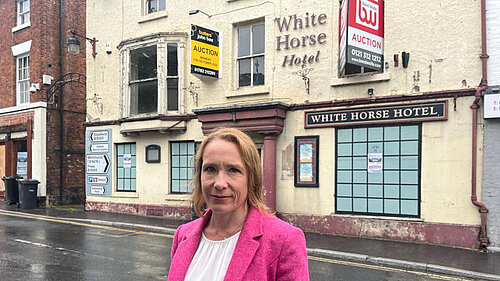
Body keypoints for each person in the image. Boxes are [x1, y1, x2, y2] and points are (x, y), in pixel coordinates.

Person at [167, 127, 309, 281]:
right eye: (210, 169)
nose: (219, 183)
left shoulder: (284, 240)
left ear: (251, 179)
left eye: (234, 170)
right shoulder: (183, 234)